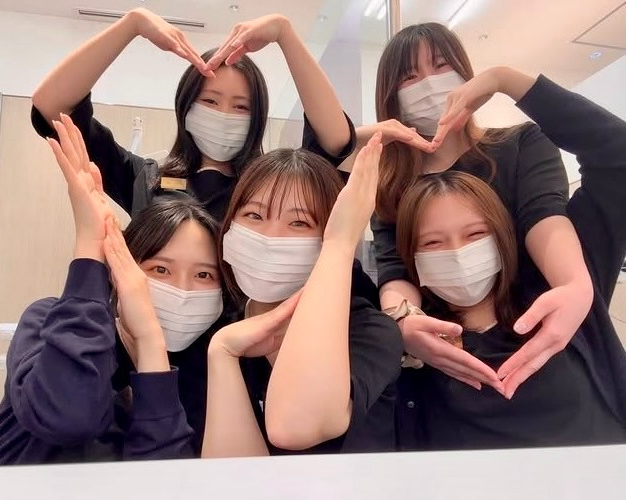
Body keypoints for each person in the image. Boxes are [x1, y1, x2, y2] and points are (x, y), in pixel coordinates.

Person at [0, 118, 227, 465]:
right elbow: (68, 416)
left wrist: (151, 344)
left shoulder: (206, 373)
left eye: (204, 275)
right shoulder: (48, 321)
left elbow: (161, 481)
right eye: (160, 269)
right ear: (121, 268)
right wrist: (89, 245)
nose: (182, 290)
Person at [356, 22, 593, 398]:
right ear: (391, 96)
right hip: (447, 357)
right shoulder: (390, 187)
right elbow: (395, 271)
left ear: (464, 74)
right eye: (409, 76)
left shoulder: (520, 146)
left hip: (534, 339)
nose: (428, 84)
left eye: (440, 65)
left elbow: (545, 216)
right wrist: (402, 319)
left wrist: (573, 284)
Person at [393, 71, 626, 449]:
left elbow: (617, 155)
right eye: (433, 242)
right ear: (411, 256)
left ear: (502, 235)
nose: (458, 253)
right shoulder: (418, 348)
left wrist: (507, 80)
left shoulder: (561, 296)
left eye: (475, 234)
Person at [31, 8, 355, 221]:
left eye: (241, 106)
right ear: (186, 107)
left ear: (256, 118)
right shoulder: (145, 180)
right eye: (210, 101)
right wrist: (132, 24)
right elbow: (52, 109)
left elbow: (336, 140)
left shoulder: (273, 184)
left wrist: (286, 34)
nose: (224, 115)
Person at [202, 135, 404, 457]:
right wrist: (222, 353)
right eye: (254, 215)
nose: (270, 237)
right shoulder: (219, 330)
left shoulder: (370, 332)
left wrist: (341, 243)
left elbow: (294, 426)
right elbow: (232, 477)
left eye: (299, 222)